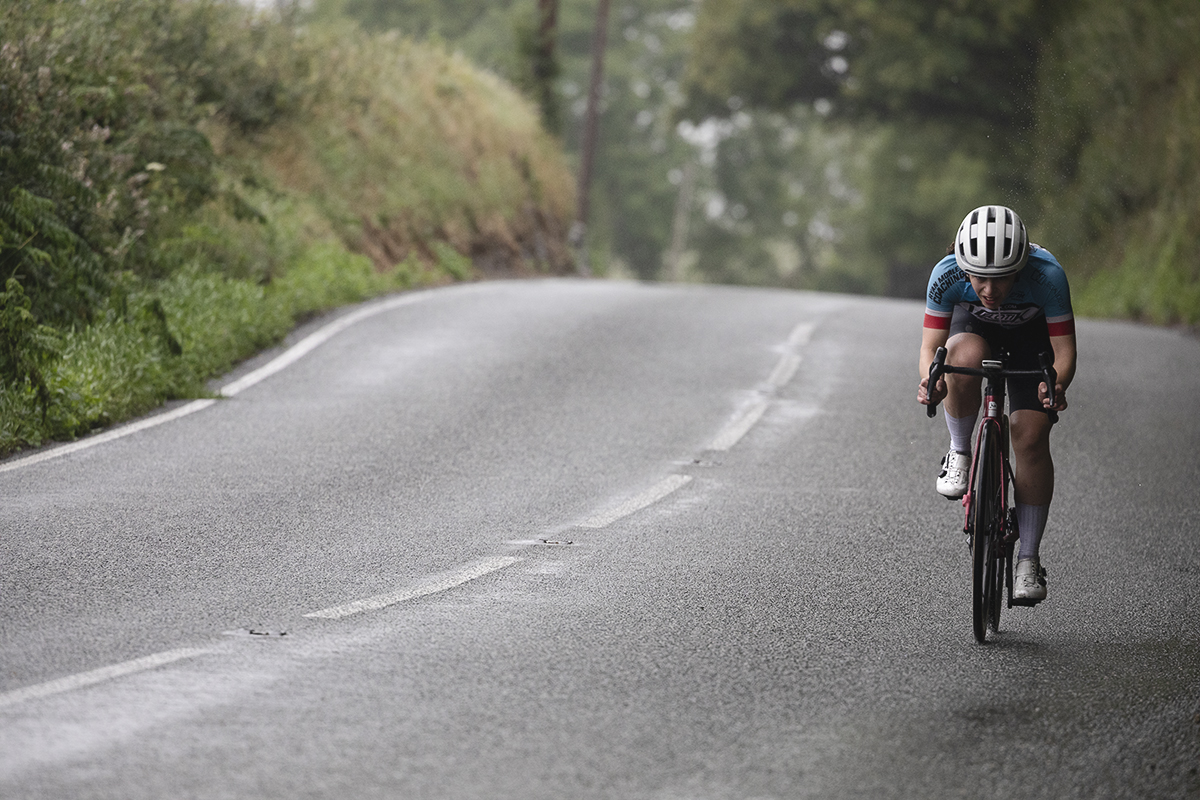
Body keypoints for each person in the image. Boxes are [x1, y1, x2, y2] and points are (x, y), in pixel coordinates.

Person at [917, 205, 1076, 604]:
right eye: (980, 278)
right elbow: (930, 349)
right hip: (973, 334)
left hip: (1031, 342)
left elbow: (1064, 351)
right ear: (961, 264)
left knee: (1031, 436)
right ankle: (959, 451)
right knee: (960, 357)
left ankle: (1028, 560)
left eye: (1002, 279)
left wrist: (1055, 384)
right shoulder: (946, 272)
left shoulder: (1048, 276)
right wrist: (932, 381)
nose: (990, 290)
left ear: (1021, 267)